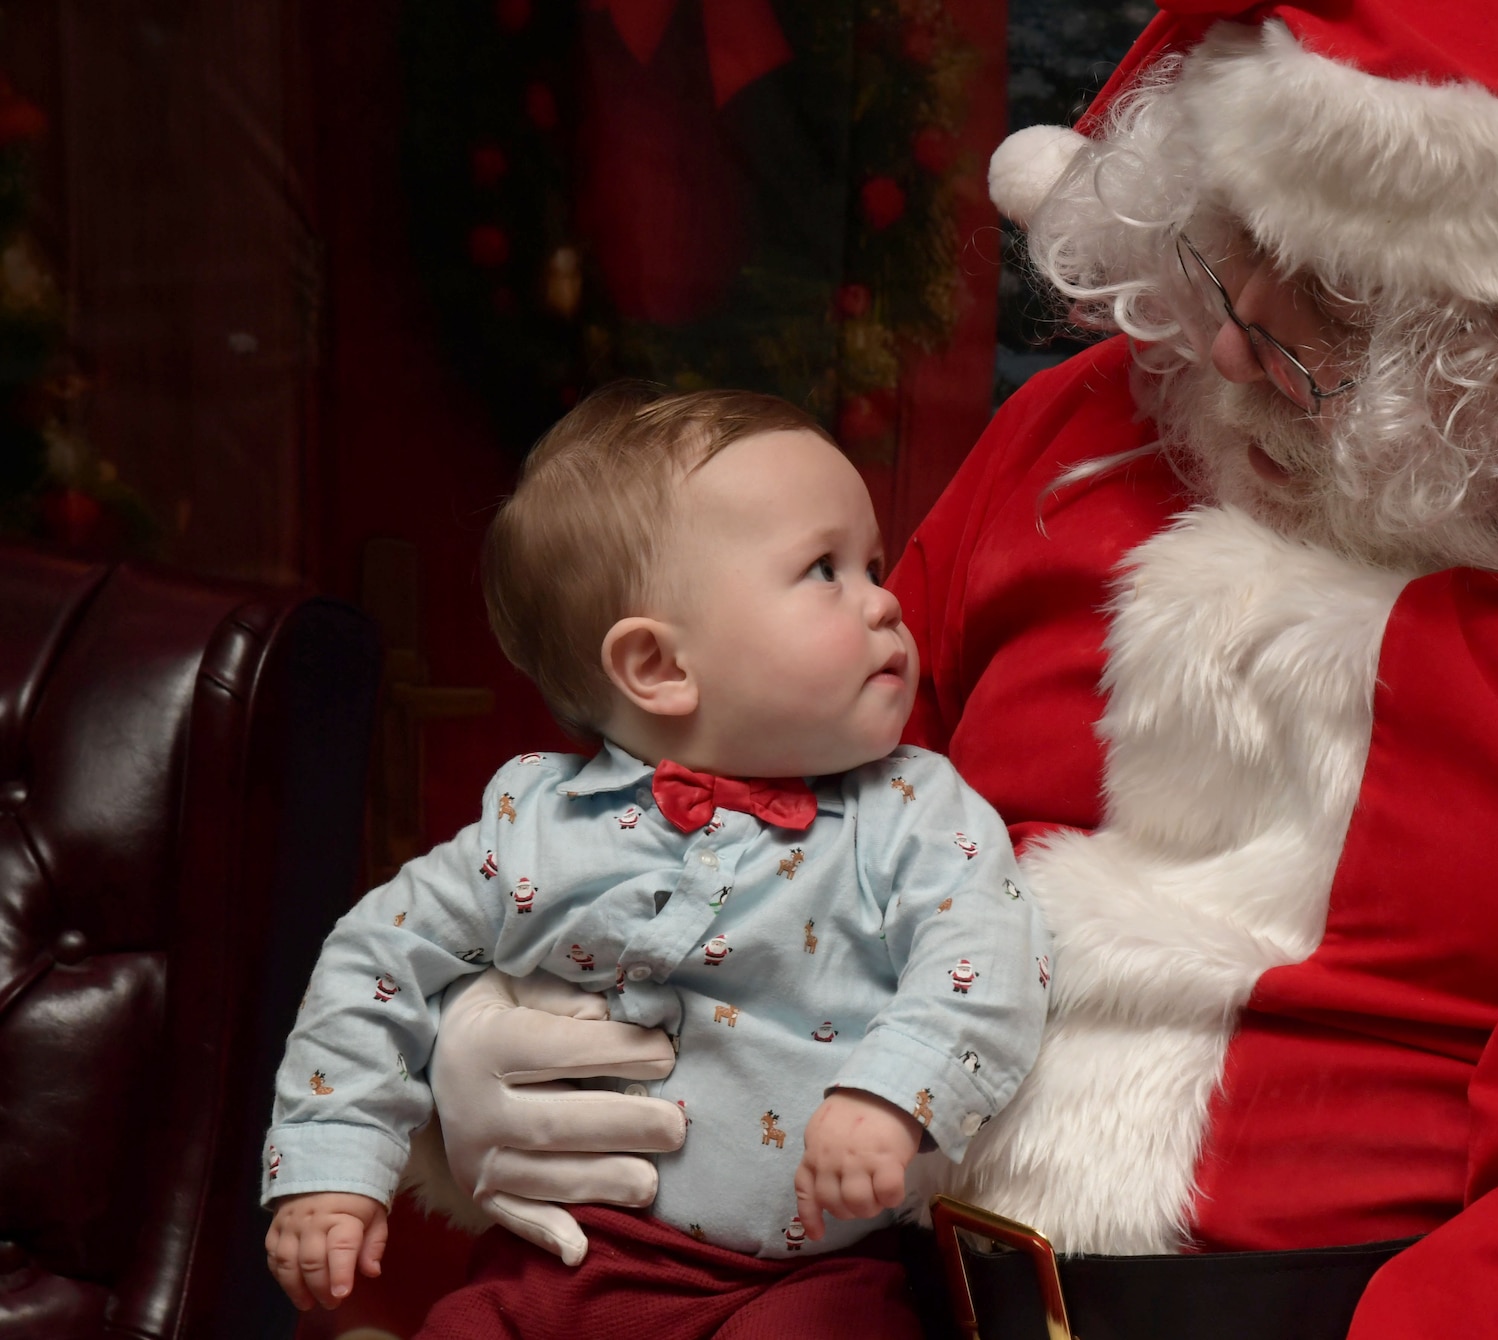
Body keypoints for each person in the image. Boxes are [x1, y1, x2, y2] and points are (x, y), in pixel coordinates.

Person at [412, 3, 1498, 1337]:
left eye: (1335, 310)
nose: (1226, 346)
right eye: (1227, 245)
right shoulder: (1094, 421)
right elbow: (798, 826)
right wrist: (529, 1036)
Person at [260, 386, 1050, 1338]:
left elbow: (991, 950)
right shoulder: (536, 826)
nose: (886, 601)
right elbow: (373, 957)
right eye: (824, 569)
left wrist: (891, 1094)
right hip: (556, 1261)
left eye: (873, 565)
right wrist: (333, 1160)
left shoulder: (912, 810)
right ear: (658, 668)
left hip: (796, 1281)